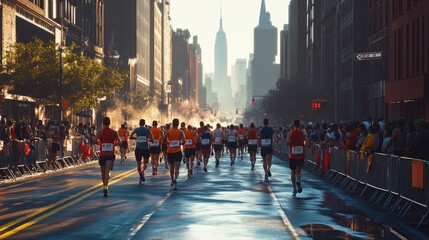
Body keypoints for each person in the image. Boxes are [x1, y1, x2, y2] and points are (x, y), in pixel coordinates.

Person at [96, 117, 120, 197]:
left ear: (103, 123)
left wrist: (100, 142)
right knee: (107, 172)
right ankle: (106, 187)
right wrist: (113, 144)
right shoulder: (114, 132)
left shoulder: (99, 132)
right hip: (110, 155)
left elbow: (95, 140)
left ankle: (104, 186)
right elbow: (119, 142)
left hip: (102, 155)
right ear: (109, 123)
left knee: (103, 173)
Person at [163, 118, 185, 190]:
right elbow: (184, 141)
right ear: (178, 124)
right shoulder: (181, 132)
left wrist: (168, 143)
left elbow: (164, 139)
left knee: (171, 167)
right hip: (178, 151)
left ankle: (172, 179)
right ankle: (175, 179)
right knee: (177, 168)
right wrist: (180, 143)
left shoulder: (168, 132)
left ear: (172, 124)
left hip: (170, 152)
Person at [287, 120, 307, 196]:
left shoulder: (290, 133)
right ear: (299, 125)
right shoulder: (303, 133)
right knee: (298, 171)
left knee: (293, 172)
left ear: (293, 125)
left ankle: (294, 188)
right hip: (300, 155)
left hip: (293, 155)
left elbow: (287, 142)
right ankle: (298, 180)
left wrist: (290, 141)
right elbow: (307, 143)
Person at [130, 119, 153, 184]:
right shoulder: (147, 130)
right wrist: (148, 140)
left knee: (138, 163)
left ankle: (140, 176)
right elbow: (152, 139)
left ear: (139, 123)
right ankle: (142, 172)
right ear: (144, 123)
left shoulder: (136, 129)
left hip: (138, 149)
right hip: (145, 149)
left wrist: (136, 138)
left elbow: (130, 136)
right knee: (146, 163)